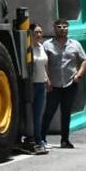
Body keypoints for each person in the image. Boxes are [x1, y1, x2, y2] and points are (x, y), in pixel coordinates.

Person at [41, 18, 86, 149]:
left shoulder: (75, 44)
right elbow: (43, 63)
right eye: (59, 27)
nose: (62, 29)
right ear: (54, 29)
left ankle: (65, 140)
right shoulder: (47, 45)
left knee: (66, 112)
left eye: (65, 27)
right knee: (49, 111)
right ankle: (41, 138)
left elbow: (84, 60)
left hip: (70, 84)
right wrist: (47, 80)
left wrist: (79, 74)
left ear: (68, 29)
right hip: (53, 84)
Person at [27, 23, 50, 154]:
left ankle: (39, 138)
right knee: (30, 114)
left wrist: (48, 80)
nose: (39, 35)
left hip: (42, 84)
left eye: (41, 32)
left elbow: (45, 66)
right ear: (30, 34)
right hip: (32, 85)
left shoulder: (42, 47)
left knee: (38, 114)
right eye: (36, 32)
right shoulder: (28, 49)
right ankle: (33, 139)